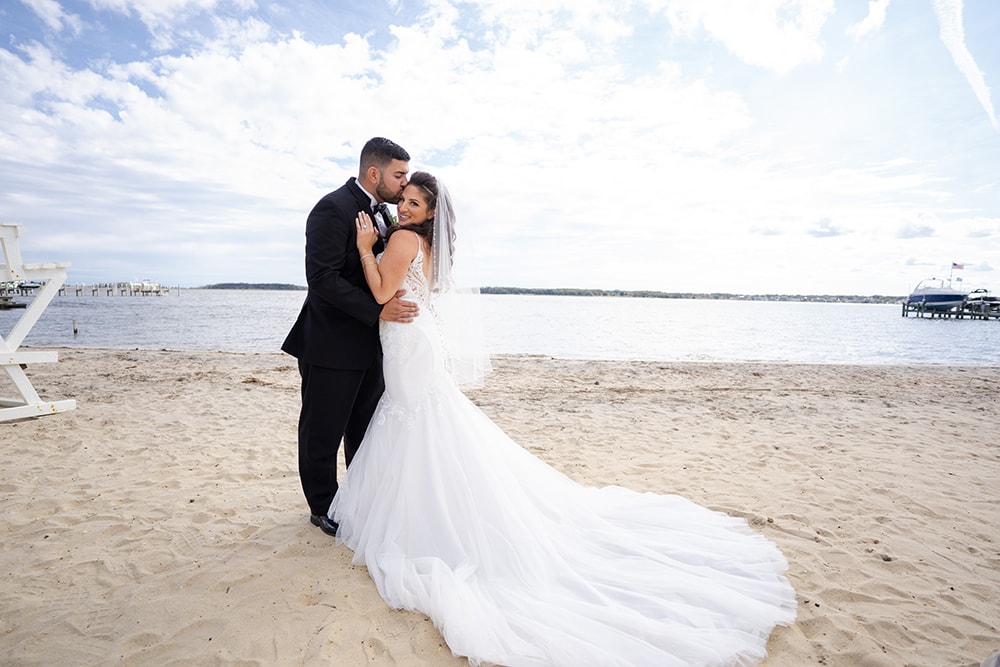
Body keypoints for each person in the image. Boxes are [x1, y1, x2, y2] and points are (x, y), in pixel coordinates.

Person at [331, 171, 797, 667]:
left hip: (408, 342)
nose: (404, 207)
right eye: (403, 199)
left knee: (415, 421)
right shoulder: (426, 244)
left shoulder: (401, 238)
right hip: (417, 340)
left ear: (429, 213)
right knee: (421, 423)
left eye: (415, 202)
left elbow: (382, 292)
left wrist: (364, 246)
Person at [281, 137, 417, 538]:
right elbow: (321, 278)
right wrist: (377, 310)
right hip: (331, 343)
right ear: (374, 173)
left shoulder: (389, 217)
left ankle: (355, 501)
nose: (403, 184)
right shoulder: (331, 208)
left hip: (373, 344)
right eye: (398, 175)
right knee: (322, 431)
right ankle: (321, 507)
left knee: (363, 429)